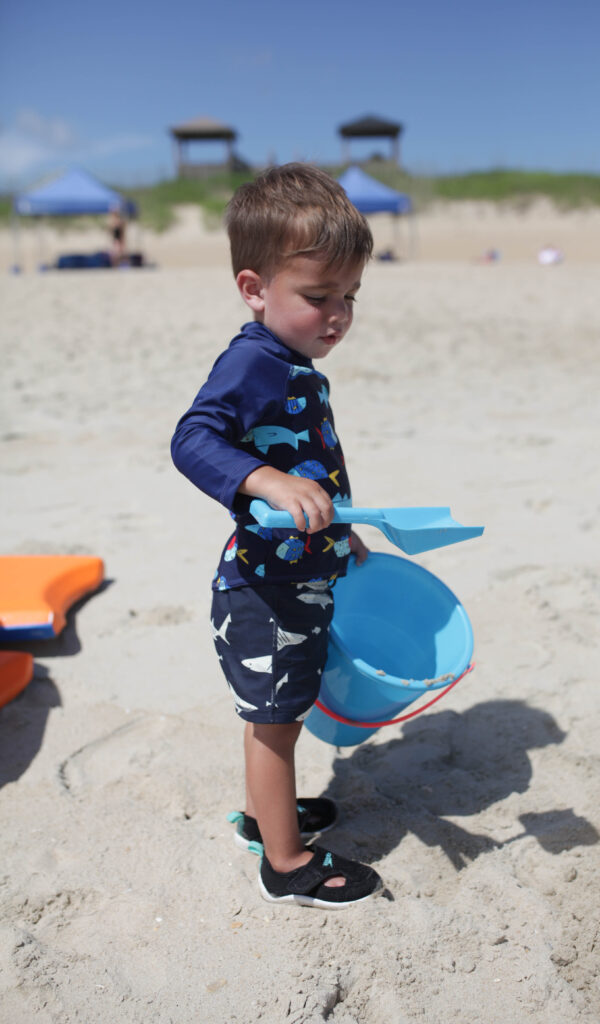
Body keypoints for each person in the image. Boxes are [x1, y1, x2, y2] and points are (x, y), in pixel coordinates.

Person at [170, 164, 383, 909]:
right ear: (255, 289)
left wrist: (342, 528)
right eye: (318, 297)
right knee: (275, 725)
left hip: (298, 572)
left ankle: (271, 813)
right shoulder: (254, 359)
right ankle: (285, 863)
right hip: (263, 590)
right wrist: (264, 482)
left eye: (349, 296)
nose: (338, 315)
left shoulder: (291, 362)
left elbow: (309, 462)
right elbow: (193, 439)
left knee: (279, 717)